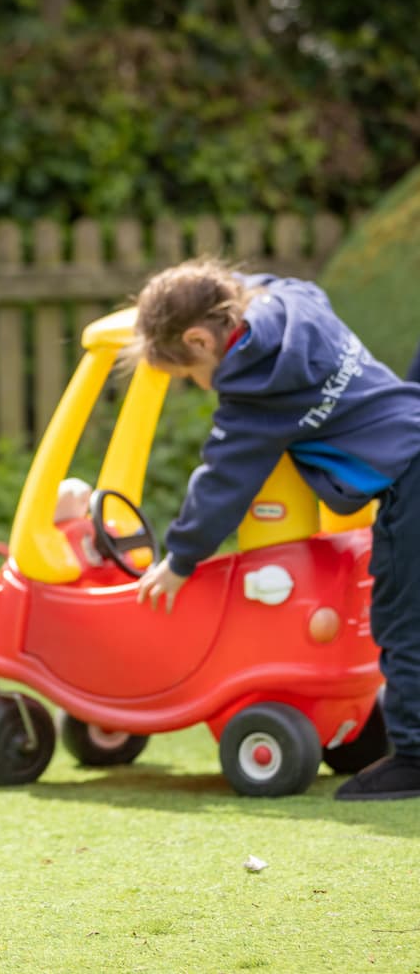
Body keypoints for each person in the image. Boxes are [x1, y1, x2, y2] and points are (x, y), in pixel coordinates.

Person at [130, 258, 420, 801]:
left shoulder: (255, 390)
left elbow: (223, 481)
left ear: (199, 341)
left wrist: (181, 558)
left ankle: (415, 758)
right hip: (412, 446)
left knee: (403, 617)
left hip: (410, 477)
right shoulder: (295, 304)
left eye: (190, 376)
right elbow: (281, 284)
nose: (199, 386)